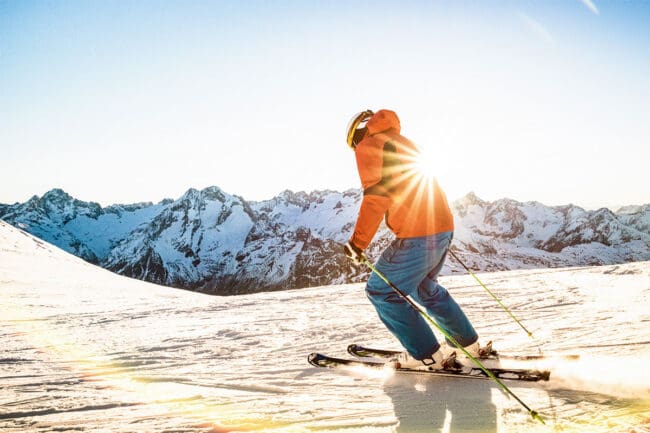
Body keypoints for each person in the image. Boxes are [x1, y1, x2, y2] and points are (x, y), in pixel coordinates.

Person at [343, 108, 485, 370]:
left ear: (357, 134)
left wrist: (357, 243)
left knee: (381, 291)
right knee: (425, 289)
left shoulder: (370, 145)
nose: (354, 149)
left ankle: (425, 354)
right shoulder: (403, 143)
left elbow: (376, 197)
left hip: (420, 232)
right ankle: (466, 345)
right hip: (440, 225)